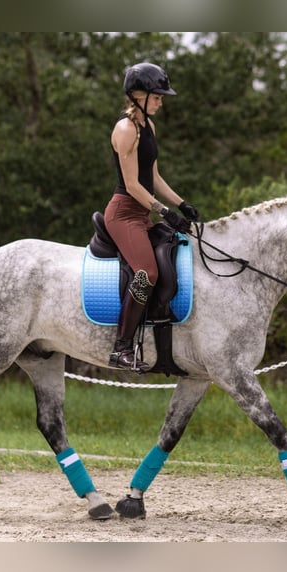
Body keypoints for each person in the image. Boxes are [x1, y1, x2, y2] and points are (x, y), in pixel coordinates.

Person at [104, 62, 199, 372]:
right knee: (147, 272)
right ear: (138, 95)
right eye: (157, 96)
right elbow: (132, 185)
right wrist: (164, 212)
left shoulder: (148, 126)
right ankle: (121, 349)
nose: (161, 101)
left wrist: (182, 204)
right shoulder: (126, 129)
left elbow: (153, 178)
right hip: (123, 214)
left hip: (142, 212)